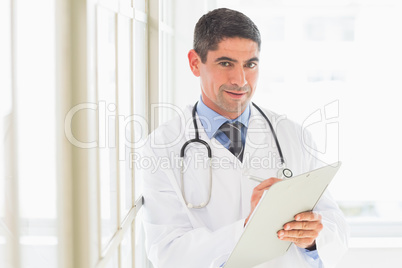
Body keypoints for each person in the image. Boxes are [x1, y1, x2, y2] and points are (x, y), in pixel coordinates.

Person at [140, 8, 349, 268]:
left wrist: (312, 238)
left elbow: (336, 228)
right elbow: (167, 253)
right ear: (195, 63)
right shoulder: (161, 148)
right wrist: (247, 229)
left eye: (250, 64)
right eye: (225, 63)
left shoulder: (293, 135)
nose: (240, 80)